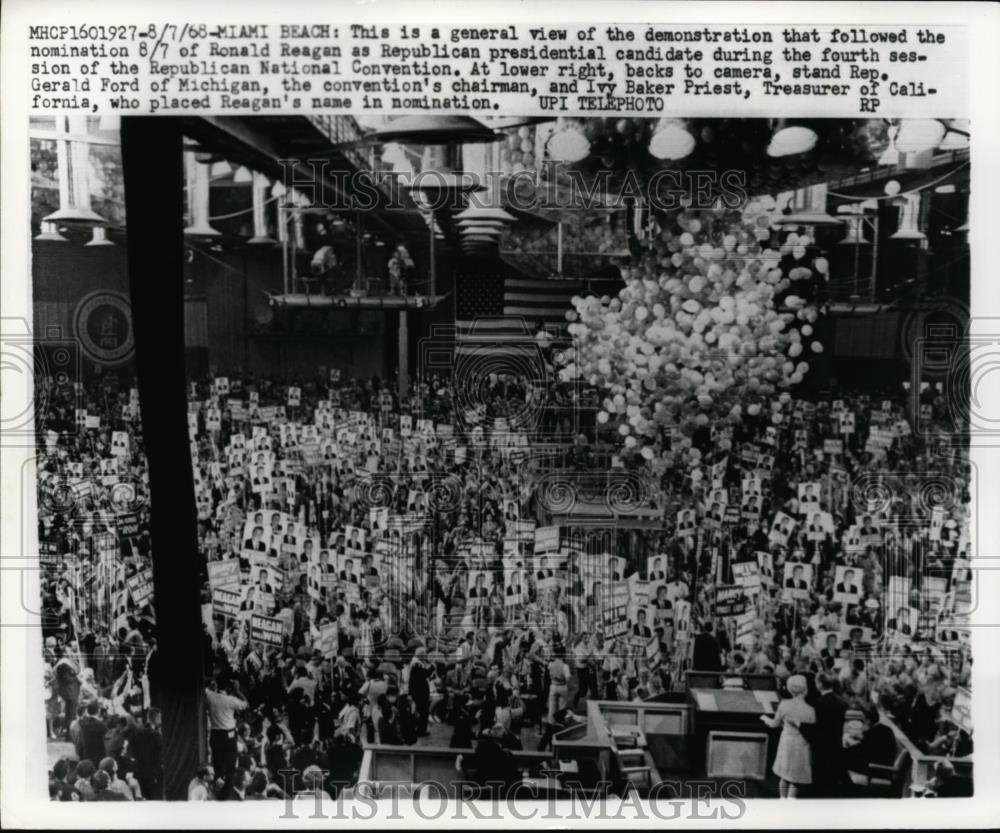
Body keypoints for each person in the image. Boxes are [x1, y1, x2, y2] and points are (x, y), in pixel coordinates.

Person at [761, 674, 816, 798]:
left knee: (784, 775)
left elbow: (774, 724)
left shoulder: (785, 704)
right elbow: (810, 729)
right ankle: (791, 803)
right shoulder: (811, 710)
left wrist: (764, 718)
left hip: (787, 742)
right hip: (802, 744)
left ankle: (782, 799)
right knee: (795, 778)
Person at [805, 672, 848, 797]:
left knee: (819, 784)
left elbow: (815, 728)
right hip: (835, 746)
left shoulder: (817, 704)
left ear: (819, 684)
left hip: (820, 749)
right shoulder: (842, 702)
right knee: (831, 784)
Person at [204, 681, 248, 787]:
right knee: (230, 769)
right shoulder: (231, 700)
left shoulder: (210, 696)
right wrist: (237, 690)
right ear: (229, 687)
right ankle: (228, 792)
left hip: (216, 736)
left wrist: (210, 687)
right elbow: (245, 704)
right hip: (229, 738)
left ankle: (218, 790)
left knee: (218, 768)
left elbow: (205, 690)